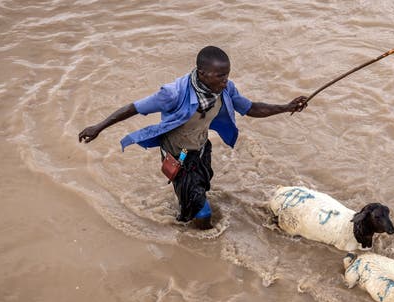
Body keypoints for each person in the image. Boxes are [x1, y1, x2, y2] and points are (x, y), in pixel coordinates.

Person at [78, 46, 307, 230]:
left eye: (227, 74)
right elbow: (134, 108)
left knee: (201, 188)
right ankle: (201, 241)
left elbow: (251, 108)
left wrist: (286, 107)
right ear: (201, 73)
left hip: (200, 147)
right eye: (220, 76)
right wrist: (99, 126)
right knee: (202, 211)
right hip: (178, 153)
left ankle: (188, 211)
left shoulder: (226, 89)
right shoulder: (173, 93)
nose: (225, 81)